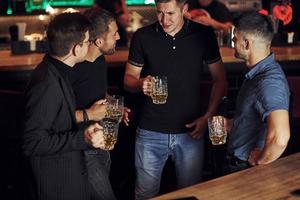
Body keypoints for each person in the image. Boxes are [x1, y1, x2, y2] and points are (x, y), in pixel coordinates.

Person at [123, 0, 227, 199]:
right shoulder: (143, 36)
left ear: (185, 9)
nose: (164, 20)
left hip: (190, 132)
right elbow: (128, 80)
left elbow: (220, 80)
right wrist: (140, 83)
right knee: (145, 195)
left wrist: (208, 116)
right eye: (159, 13)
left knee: (190, 194)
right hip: (149, 132)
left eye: (170, 13)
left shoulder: (203, 35)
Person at [22, 12, 108, 200]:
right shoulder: (46, 83)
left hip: (68, 175)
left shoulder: (56, 70)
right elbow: (32, 143)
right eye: (87, 42)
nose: (90, 45)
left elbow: (58, 122)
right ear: (77, 49)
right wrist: (82, 139)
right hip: (57, 185)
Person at [224, 11, 290, 174]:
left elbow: (280, 138)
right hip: (241, 165)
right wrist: (233, 124)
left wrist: (260, 158)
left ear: (246, 44)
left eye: (235, 38)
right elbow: (255, 114)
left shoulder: (268, 82)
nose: (233, 41)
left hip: (247, 169)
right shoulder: (258, 73)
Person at [69, 8, 124, 200]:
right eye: (114, 33)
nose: (119, 36)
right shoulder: (72, 68)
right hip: (82, 148)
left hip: (101, 142)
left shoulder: (100, 61)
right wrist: (90, 113)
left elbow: (97, 93)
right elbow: (55, 115)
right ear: (99, 41)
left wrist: (112, 103)